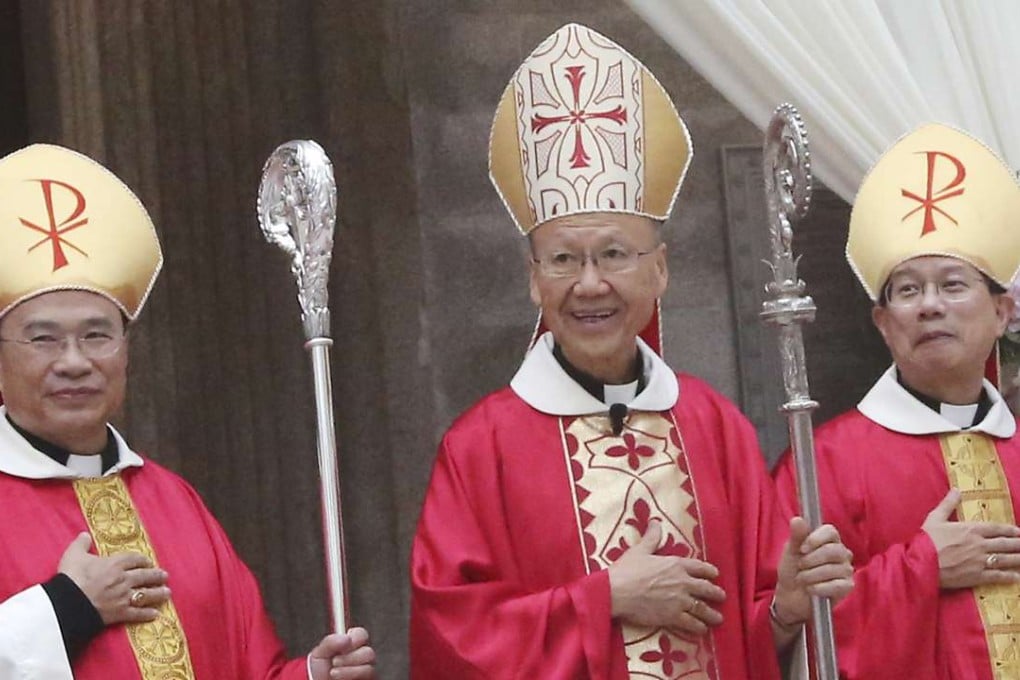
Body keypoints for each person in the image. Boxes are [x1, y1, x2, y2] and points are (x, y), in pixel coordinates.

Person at [410, 23, 853, 679]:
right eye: (564, 259)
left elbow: (751, 631)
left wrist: (787, 609)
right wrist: (604, 599)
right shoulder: (480, 450)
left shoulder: (714, 430)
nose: (591, 284)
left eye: (615, 254)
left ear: (660, 271)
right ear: (534, 278)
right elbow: (450, 642)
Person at [0, 143, 375, 679]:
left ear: (126, 350)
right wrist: (66, 608)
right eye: (43, 340)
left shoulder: (175, 503)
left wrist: (312, 674)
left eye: (97, 335)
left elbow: (248, 668)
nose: (75, 362)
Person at [773, 123, 1020, 679]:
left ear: (1002, 312)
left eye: (953, 284)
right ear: (884, 324)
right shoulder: (824, 465)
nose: (930, 306)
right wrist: (921, 567)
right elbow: (795, 628)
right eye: (908, 290)